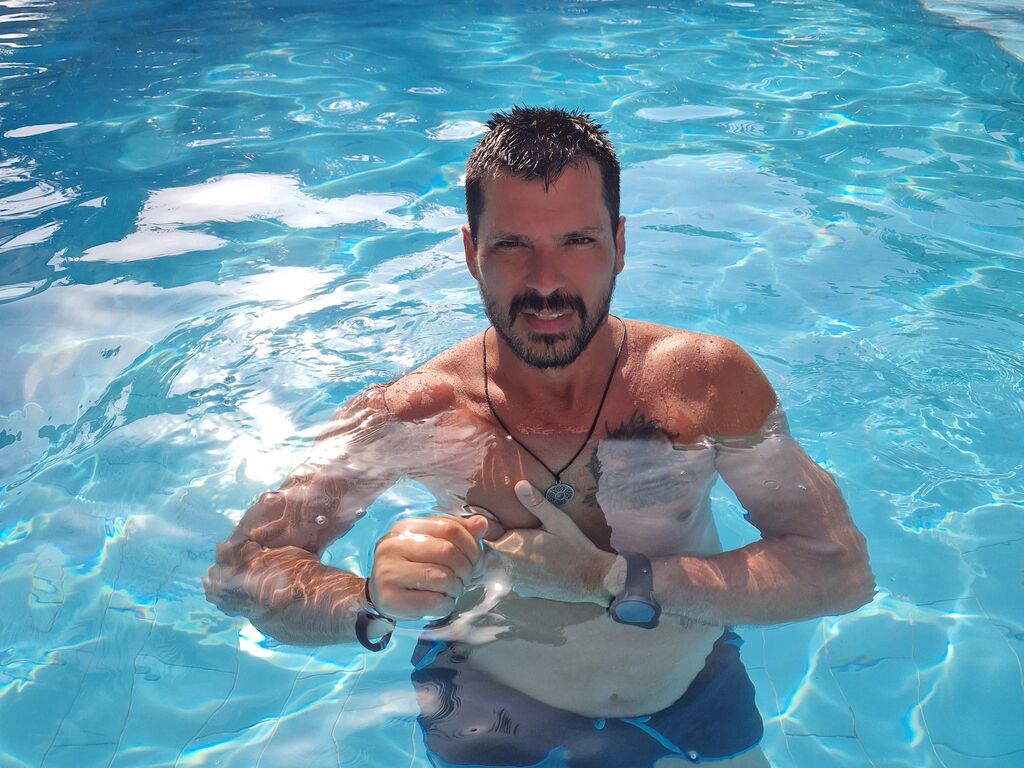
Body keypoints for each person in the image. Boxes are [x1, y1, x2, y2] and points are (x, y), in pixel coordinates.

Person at [204, 106, 875, 768]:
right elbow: (237, 573)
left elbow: (839, 570)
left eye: (577, 242)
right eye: (512, 245)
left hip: (691, 690)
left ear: (619, 245)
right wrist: (369, 601)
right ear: (471, 253)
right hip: (494, 714)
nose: (546, 282)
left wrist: (612, 577)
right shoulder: (416, 414)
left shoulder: (703, 383)